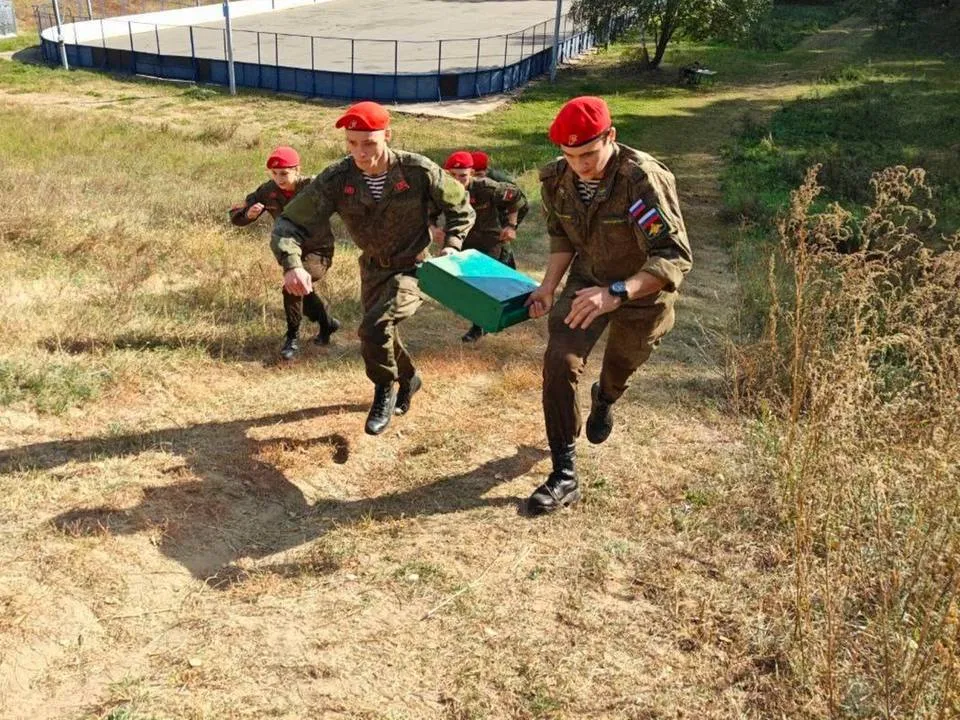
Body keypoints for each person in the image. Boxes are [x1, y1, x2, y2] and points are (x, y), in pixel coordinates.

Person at [523, 96, 693, 515]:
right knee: (560, 361)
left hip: (642, 290)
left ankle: (606, 399)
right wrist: (547, 287)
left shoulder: (641, 180)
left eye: (588, 153)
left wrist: (617, 292)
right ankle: (564, 473)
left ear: (611, 137)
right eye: (570, 154)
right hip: (588, 280)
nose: (579, 164)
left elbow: (673, 254)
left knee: (620, 367)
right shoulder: (557, 179)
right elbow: (561, 235)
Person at [271, 102, 475, 436]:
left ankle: (384, 388)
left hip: (416, 267)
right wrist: (292, 264)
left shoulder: (418, 171)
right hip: (372, 269)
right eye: (352, 143)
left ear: (387, 136)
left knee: (374, 326)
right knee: (382, 332)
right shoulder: (338, 178)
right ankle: (409, 378)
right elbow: (290, 222)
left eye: (369, 143)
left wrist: (451, 247)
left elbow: (461, 209)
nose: (360, 153)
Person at [230, 146, 340, 361]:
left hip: (319, 250)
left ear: (297, 170)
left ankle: (292, 337)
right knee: (302, 291)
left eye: (285, 173)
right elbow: (236, 213)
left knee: (293, 287)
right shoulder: (267, 190)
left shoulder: (314, 186)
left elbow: (345, 200)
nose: (279, 178)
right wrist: (247, 214)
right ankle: (327, 323)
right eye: (274, 173)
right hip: (290, 250)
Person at [440, 150, 529, 342]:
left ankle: (481, 325)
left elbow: (518, 199)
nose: (457, 180)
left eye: (462, 176)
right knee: (468, 284)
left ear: (471, 173)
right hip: (462, 241)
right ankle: (481, 323)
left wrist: (511, 226)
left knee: (488, 283)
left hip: (489, 241)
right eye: (452, 175)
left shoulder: (487, 187)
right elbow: (427, 212)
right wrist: (434, 230)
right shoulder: (441, 189)